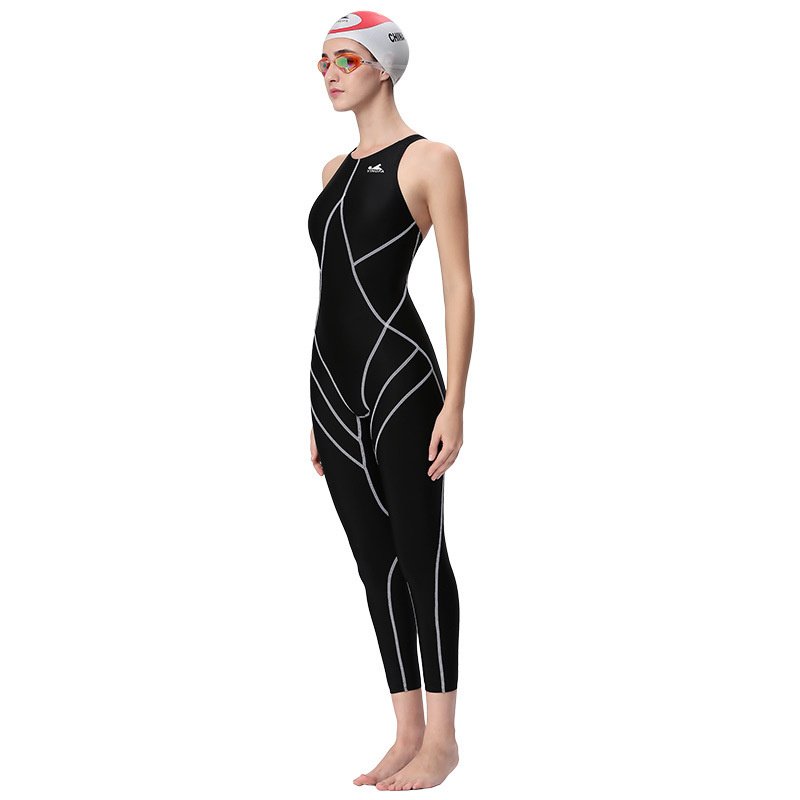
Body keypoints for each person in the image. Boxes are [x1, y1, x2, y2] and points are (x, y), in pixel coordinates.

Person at [307, 10, 474, 791]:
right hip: (331, 386)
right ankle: (405, 730)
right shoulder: (331, 173)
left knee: (420, 551)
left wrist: (456, 403)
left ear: (383, 66)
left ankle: (443, 737)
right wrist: (313, 408)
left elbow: (458, 286)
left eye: (344, 59)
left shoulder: (431, 158)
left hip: (403, 382)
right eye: (322, 63)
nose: (329, 73)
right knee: (374, 562)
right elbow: (332, 295)